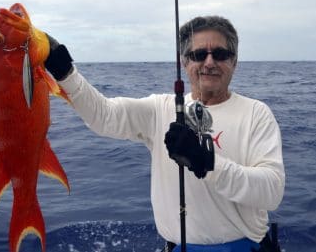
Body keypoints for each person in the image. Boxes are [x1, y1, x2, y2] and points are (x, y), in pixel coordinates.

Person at [44, 16, 285, 252]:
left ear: (235, 61)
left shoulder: (257, 113)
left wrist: (208, 163)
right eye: (199, 54)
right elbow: (103, 116)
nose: (209, 62)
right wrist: (66, 73)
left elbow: (272, 192)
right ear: (184, 62)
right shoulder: (160, 109)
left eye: (220, 54)